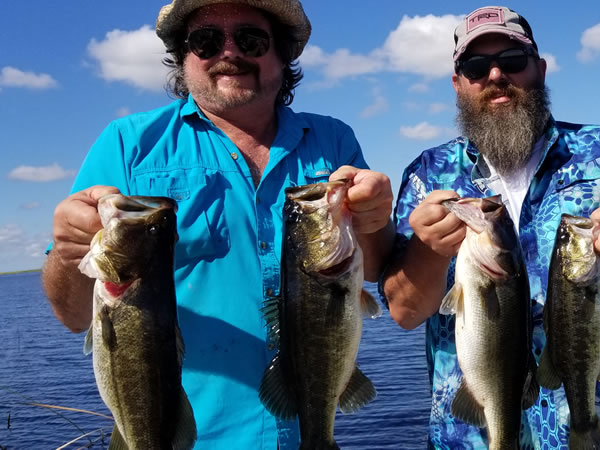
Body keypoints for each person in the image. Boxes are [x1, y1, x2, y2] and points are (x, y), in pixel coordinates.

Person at [41, 0, 394, 447]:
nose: (229, 53)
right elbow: (73, 315)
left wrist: (376, 218)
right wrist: (70, 250)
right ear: (182, 56)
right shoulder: (127, 145)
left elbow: (376, 266)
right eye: (205, 40)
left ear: (282, 54)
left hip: (305, 427)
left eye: (250, 39)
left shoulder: (333, 140)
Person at [381, 5, 600, 448]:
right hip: (471, 435)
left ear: (540, 69)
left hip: (599, 433)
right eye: (476, 66)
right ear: (458, 84)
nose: (496, 75)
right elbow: (403, 312)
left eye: (513, 60)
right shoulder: (427, 174)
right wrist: (427, 251)